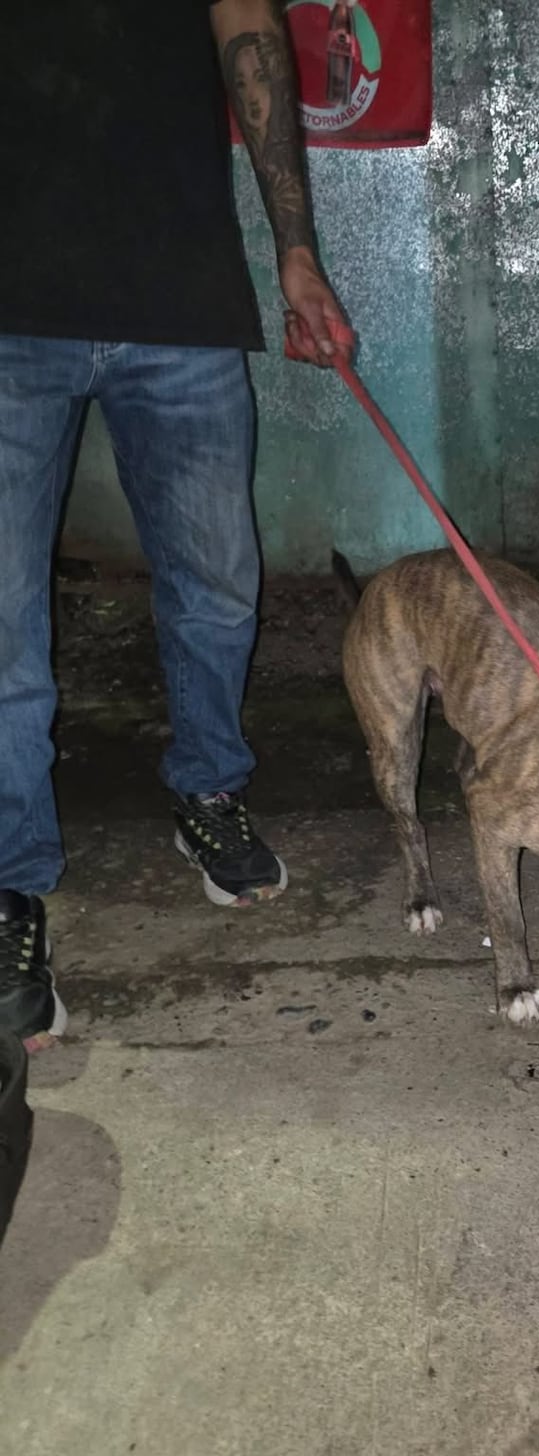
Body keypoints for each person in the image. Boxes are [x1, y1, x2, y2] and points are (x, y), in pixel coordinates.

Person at [0, 1, 353, 1052]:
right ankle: (10, 884)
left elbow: (253, 43)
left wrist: (297, 250)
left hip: (182, 302)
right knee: (3, 630)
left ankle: (207, 789)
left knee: (218, 588)